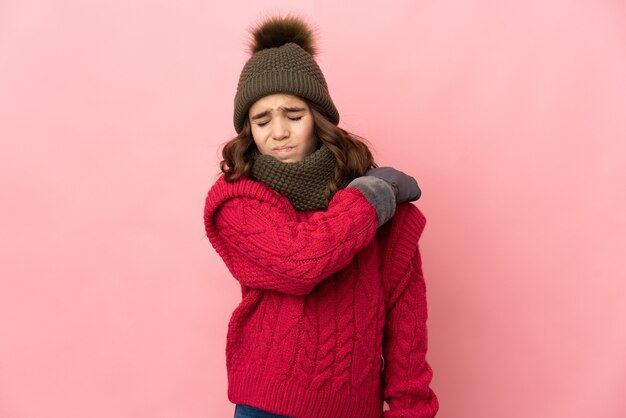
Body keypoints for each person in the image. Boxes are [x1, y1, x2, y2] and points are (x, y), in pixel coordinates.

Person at [203, 14, 439, 418]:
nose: (278, 132)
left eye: (293, 115)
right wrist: (370, 198)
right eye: (262, 120)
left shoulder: (386, 213)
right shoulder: (237, 199)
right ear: (249, 130)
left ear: (318, 117)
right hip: (266, 406)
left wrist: (410, 410)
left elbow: (407, 327)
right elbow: (302, 262)